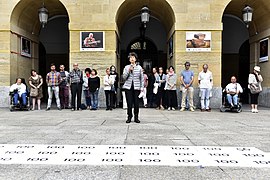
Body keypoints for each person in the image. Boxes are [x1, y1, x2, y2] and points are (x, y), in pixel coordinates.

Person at [122, 52, 144, 123]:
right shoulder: (126, 67)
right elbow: (124, 77)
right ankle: (129, 116)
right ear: (129, 59)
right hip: (128, 88)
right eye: (130, 57)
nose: (132, 59)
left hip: (136, 88)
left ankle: (136, 117)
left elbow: (142, 79)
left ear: (135, 59)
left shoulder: (139, 67)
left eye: (133, 57)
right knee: (129, 103)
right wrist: (129, 71)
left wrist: (142, 88)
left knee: (136, 103)